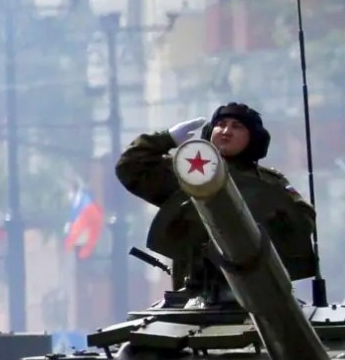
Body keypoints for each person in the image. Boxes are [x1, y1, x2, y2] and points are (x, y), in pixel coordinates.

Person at [116, 103, 320, 300]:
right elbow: (130, 167)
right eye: (220, 124)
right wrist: (165, 139)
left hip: (260, 292)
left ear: (254, 137)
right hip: (198, 295)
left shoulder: (269, 183)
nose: (226, 131)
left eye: (237, 126)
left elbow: (302, 219)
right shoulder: (190, 174)